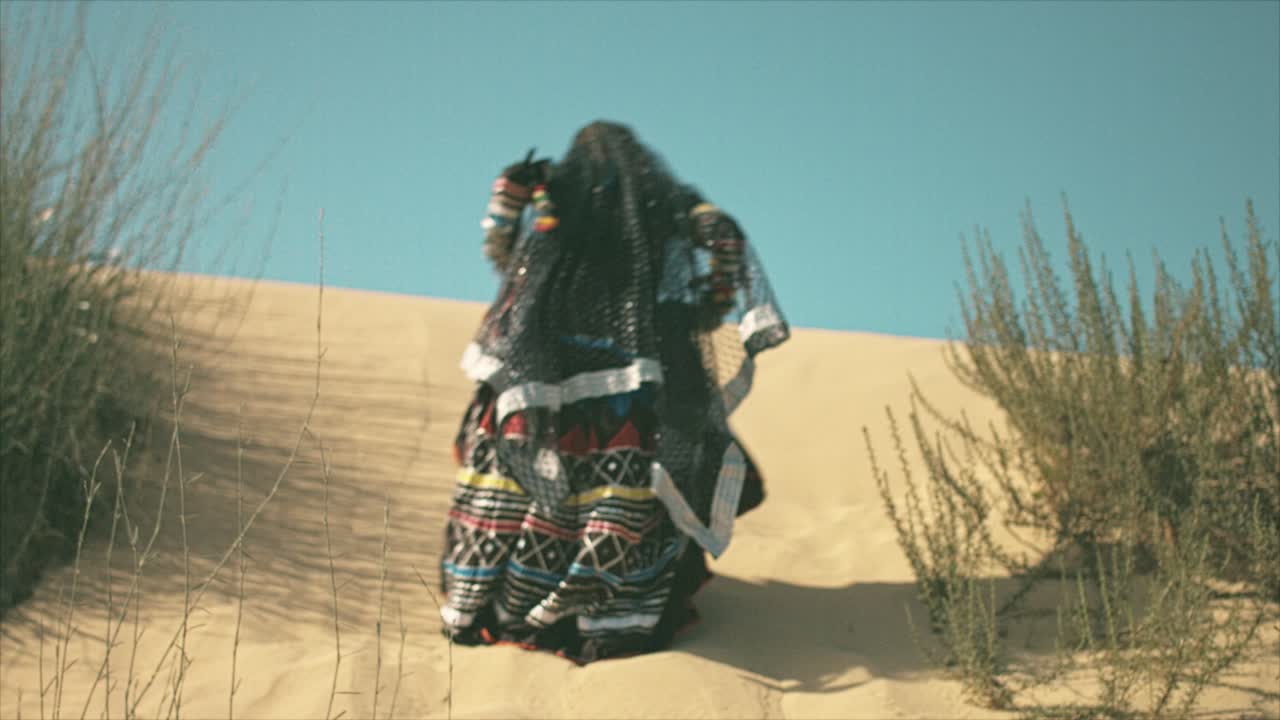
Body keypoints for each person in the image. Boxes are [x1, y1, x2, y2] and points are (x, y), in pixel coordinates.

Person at [440, 121, 789, 663]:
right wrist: (707, 306)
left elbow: (500, 250)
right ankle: (605, 618)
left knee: (520, 484)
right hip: (628, 385)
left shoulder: (555, 198)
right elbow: (725, 243)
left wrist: (515, 191)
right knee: (620, 499)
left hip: (538, 376)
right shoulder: (664, 207)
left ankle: (492, 607)